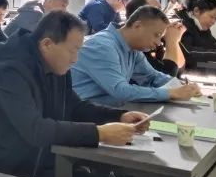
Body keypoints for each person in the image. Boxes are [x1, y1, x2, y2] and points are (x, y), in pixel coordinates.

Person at [0, 11, 149, 177]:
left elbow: (75, 107)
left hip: (34, 163)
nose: (75, 59)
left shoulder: (55, 67)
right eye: (72, 50)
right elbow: (35, 130)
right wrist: (99, 133)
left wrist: (119, 116)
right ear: (47, 44)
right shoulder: (9, 72)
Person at [71, 6, 202, 105]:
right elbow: (121, 91)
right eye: (156, 35)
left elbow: (152, 77)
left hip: (109, 110)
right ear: (137, 25)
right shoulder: (102, 46)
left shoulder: (133, 49)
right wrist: (171, 93)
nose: (158, 43)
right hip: (84, 116)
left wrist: (182, 87)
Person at [124, 0, 185, 77]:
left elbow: (179, 69)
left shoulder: (153, 37)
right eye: (156, 11)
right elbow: (165, 76)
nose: (162, 15)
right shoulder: (133, 43)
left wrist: (175, 40)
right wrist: (172, 41)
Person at [178, 0, 216, 66]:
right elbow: (187, 53)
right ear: (196, 11)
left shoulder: (202, 27)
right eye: (212, 17)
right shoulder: (182, 25)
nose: (213, 22)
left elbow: (212, 44)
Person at [5, 0, 72, 37]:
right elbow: (34, 40)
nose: (65, 10)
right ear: (50, 2)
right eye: (63, 5)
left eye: (66, 6)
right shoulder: (35, 13)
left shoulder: (44, 14)